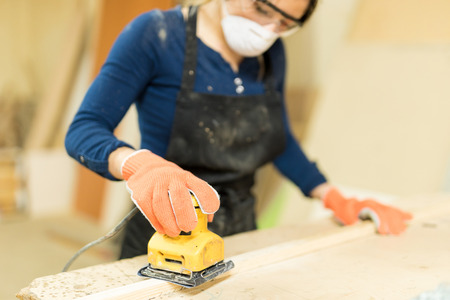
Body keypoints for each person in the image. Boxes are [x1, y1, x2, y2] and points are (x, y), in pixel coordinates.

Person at [65, 0, 412, 259]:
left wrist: (331, 195)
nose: (269, 31)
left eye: (285, 24)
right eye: (262, 10)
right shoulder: (156, 35)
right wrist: (138, 164)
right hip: (167, 232)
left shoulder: (271, 54)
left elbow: (279, 139)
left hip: (241, 231)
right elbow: (84, 130)